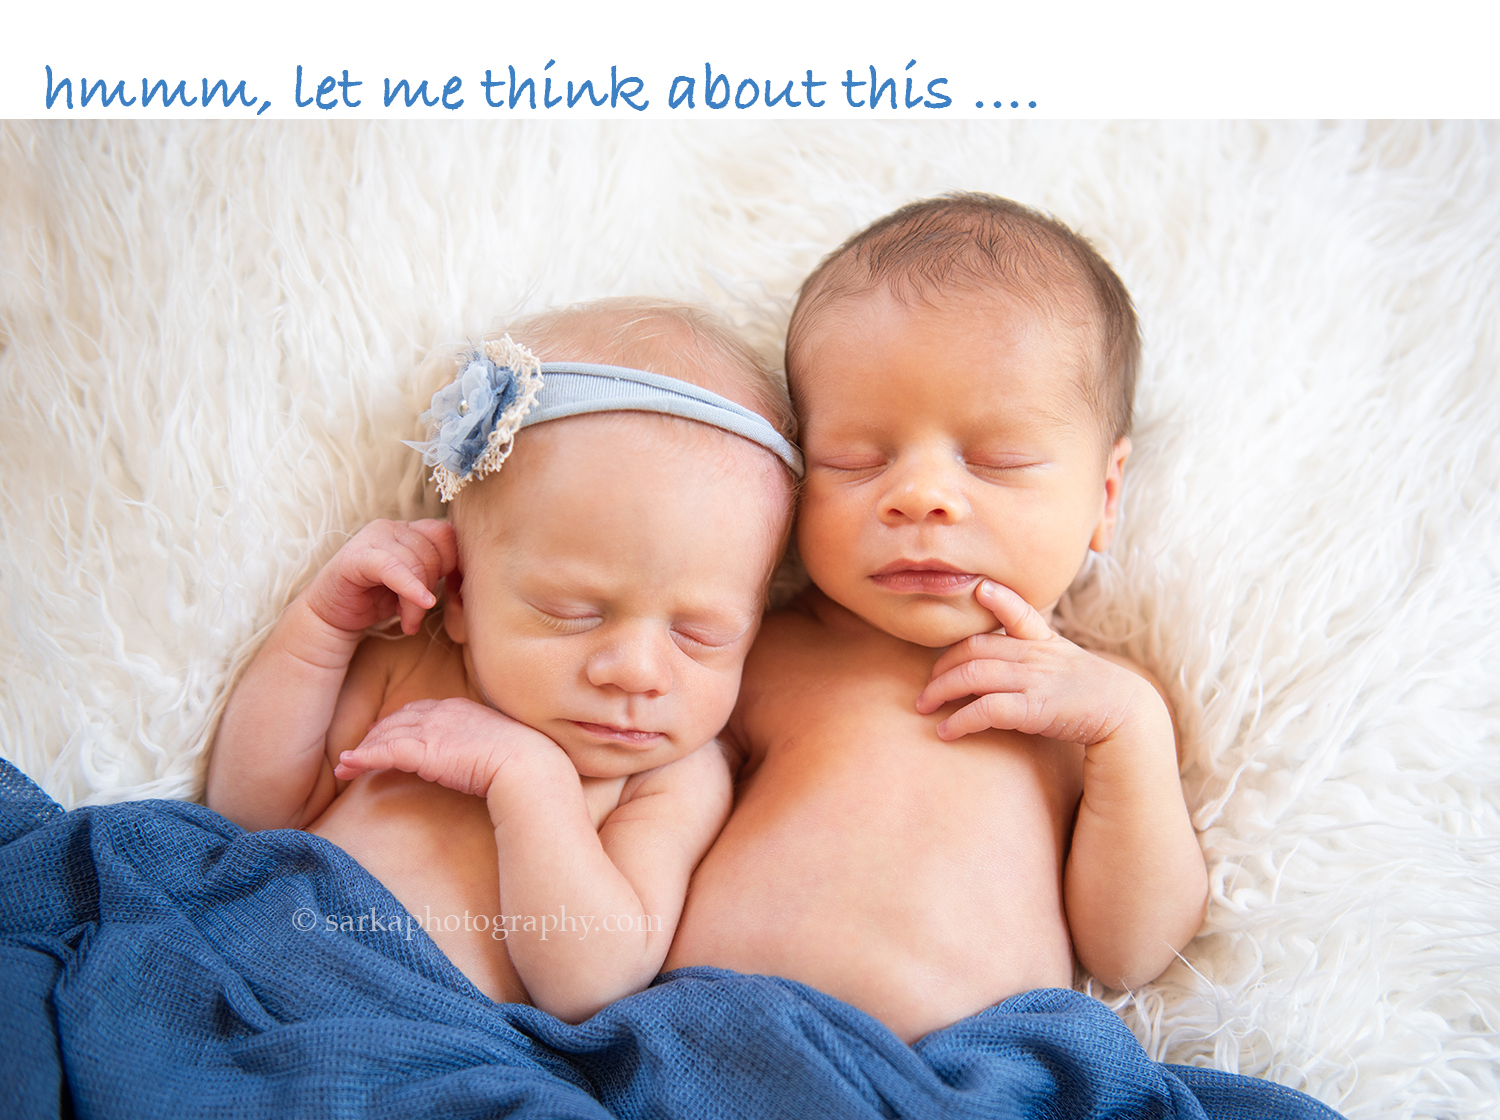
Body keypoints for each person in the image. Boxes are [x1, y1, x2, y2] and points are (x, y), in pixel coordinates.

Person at [665, 194, 1210, 1042]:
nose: (919, 495)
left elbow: (1134, 952)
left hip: (973, 1078)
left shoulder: (1095, 708)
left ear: (1105, 497)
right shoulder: (759, 654)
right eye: (855, 458)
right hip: (710, 1042)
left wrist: (1128, 738)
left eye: (996, 460)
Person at [207, 299, 799, 1022]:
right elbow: (250, 813)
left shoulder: (668, 776)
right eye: (572, 613)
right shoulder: (412, 667)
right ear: (459, 596)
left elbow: (593, 981)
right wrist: (321, 630)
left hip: (422, 1048)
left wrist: (528, 780)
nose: (638, 671)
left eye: (702, 635)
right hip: (237, 963)